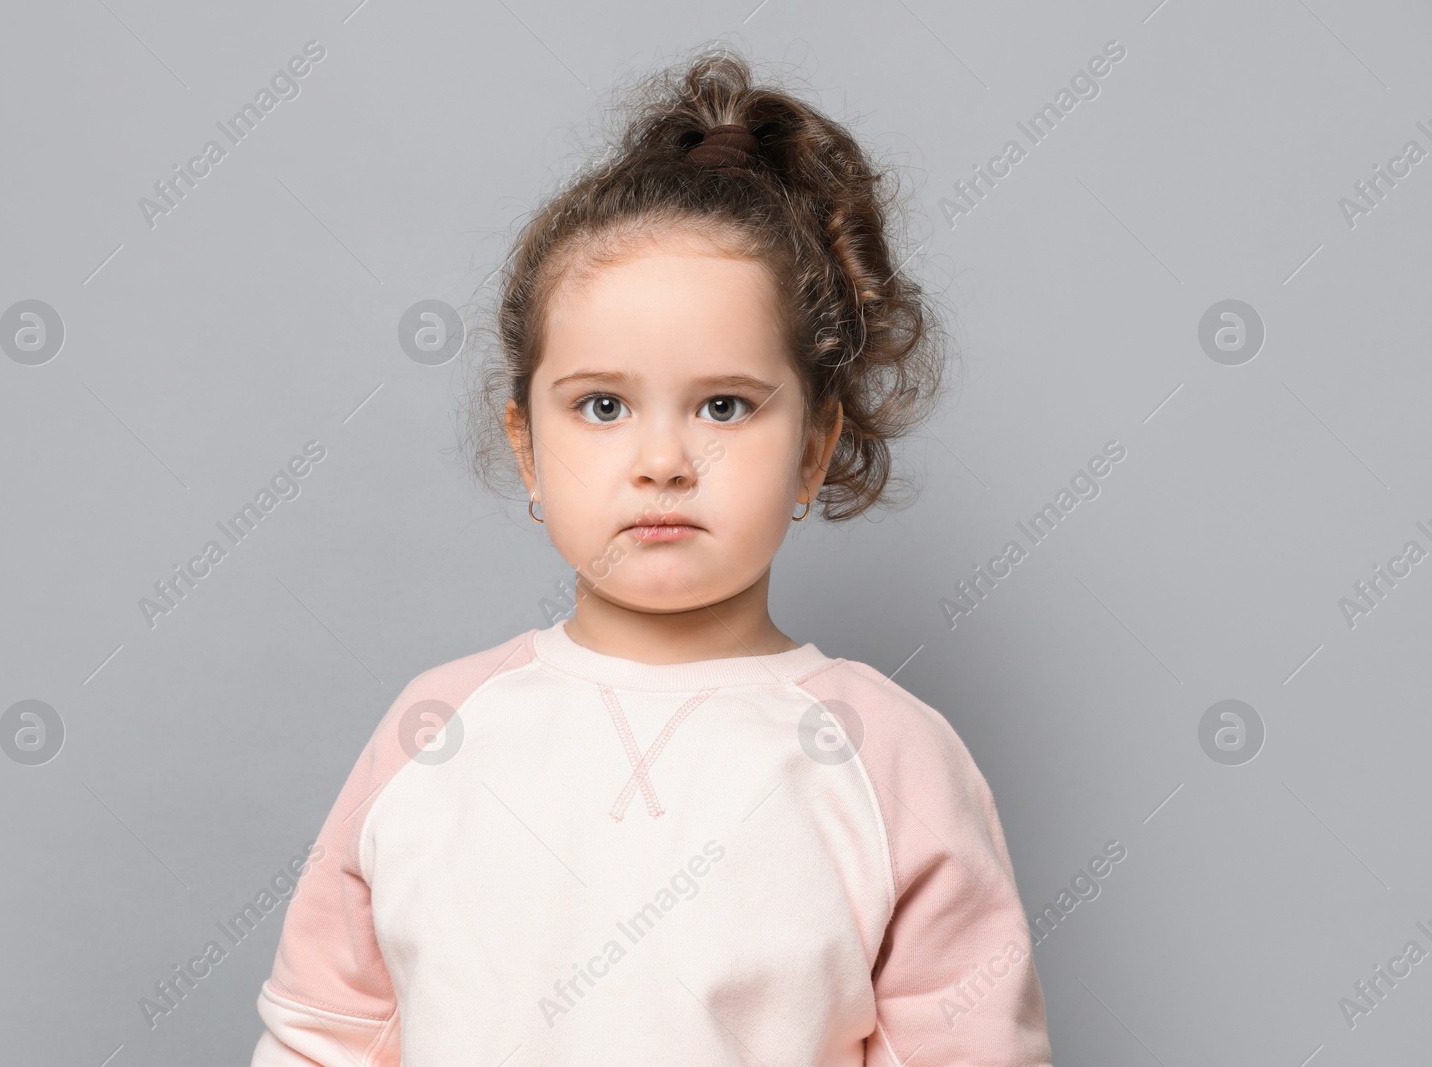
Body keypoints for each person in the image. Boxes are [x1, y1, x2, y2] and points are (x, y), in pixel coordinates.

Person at [249, 46, 1053, 1066]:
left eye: (723, 405)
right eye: (602, 405)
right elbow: (321, 1037)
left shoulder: (888, 760)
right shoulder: (432, 733)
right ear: (525, 444)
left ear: (811, 449)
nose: (663, 460)